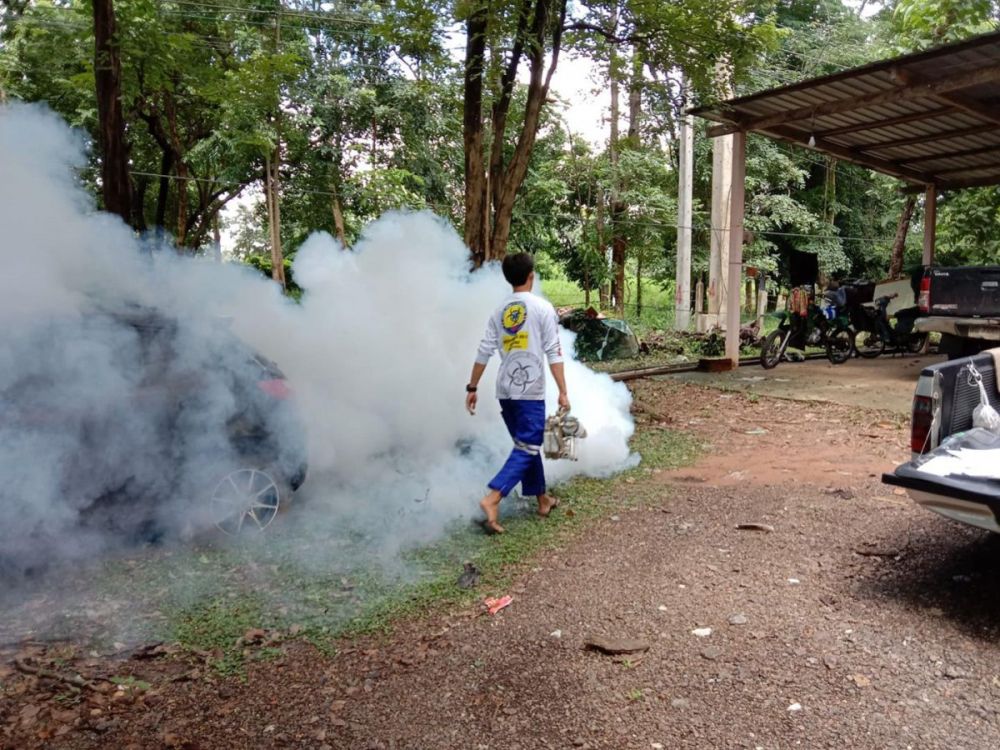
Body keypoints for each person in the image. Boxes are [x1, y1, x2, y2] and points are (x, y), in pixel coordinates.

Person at [465, 252, 570, 534]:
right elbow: (554, 352)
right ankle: (493, 496)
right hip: (530, 390)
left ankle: (543, 498)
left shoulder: (499, 311)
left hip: (505, 390)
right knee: (528, 445)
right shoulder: (542, 308)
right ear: (531, 276)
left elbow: (483, 351)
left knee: (527, 445)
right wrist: (563, 391)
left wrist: (472, 387)